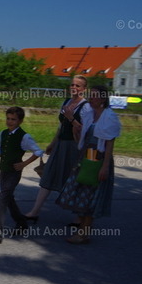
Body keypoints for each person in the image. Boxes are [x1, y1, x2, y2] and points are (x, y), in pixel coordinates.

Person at [56, 85, 121, 244]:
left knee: (91, 196)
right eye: (90, 95)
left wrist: (105, 166)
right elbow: (81, 140)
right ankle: (83, 231)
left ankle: (83, 233)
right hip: (85, 157)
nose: (91, 98)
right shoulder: (89, 115)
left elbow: (109, 144)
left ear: (103, 99)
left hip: (98, 159)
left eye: (94, 96)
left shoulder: (110, 117)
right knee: (81, 194)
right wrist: (75, 130)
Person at [24, 76, 88, 224]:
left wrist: (71, 118)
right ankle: (35, 211)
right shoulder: (66, 102)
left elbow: (83, 129)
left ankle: (79, 216)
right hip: (61, 144)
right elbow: (61, 126)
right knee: (48, 174)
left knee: (74, 179)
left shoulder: (86, 107)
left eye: (78, 86)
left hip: (75, 146)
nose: (74, 87)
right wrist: (53, 143)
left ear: (84, 89)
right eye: (72, 85)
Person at [0, 107, 44, 246]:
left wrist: (24, 163)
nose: (10, 121)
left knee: (2, 200)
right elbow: (0, 150)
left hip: (14, 173)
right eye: (8, 118)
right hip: (3, 171)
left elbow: (38, 151)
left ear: (20, 121)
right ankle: (21, 223)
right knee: (8, 198)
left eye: (13, 119)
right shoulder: (3, 133)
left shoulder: (24, 136)